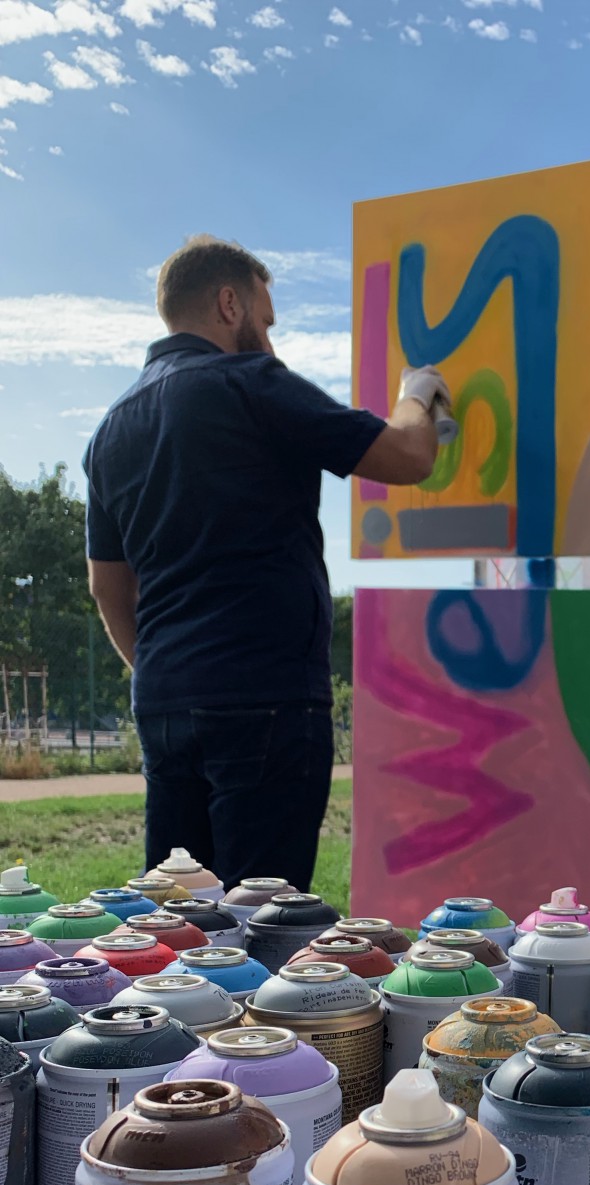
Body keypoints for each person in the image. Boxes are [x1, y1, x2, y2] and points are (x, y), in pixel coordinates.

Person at [84, 234, 448, 892]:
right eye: (266, 319)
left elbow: (106, 586)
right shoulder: (251, 383)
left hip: (165, 704)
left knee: (177, 925)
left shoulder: (112, 427)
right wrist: (417, 394)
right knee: (261, 931)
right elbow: (407, 457)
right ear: (230, 303)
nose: (270, 340)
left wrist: (165, 668)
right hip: (265, 698)